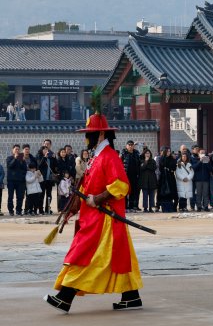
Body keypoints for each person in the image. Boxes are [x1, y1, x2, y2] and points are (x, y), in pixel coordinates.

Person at [44, 111, 143, 313]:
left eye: (89, 133)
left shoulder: (109, 156)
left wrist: (97, 199)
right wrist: (75, 204)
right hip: (93, 217)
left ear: (99, 135)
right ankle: (131, 296)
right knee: (117, 258)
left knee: (84, 255)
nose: (86, 137)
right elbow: (89, 185)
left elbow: (121, 185)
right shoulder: (97, 157)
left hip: (104, 219)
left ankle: (65, 297)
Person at [120, 140, 141, 212]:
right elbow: (119, 164)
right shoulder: (123, 153)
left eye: (132, 145)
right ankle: (125, 207)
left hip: (135, 176)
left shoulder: (136, 153)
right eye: (129, 145)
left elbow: (139, 163)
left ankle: (132, 206)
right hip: (126, 175)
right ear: (126, 146)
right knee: (125, 191)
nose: (130, 146)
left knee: (133, 191)